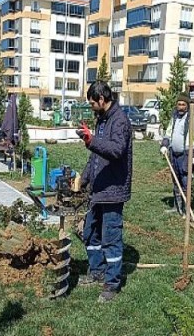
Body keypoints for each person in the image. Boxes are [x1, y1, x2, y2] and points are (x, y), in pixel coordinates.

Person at [76, 81, 133, 303]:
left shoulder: (120, 121)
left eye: (93, 103)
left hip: (113, 189)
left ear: (102, 99)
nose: (91, 106)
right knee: (90, 231)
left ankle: (112, 283)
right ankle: (97, 270)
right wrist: (83, 179)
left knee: (111, 238)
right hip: (98, 189)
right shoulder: (102, 120)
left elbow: (116, 151)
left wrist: (92, 141)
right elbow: (96, 156)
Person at [160, 94, 194, 216]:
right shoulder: (174, 118)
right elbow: (168, 133)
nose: (180, 107)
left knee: (186, 182)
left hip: (186, 156)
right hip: (174, 155)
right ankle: (177, 206)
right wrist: (164, 145)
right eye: (179, 104)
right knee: (176, 181)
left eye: (183, 105)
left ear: (187, 106)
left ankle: (186, 210)